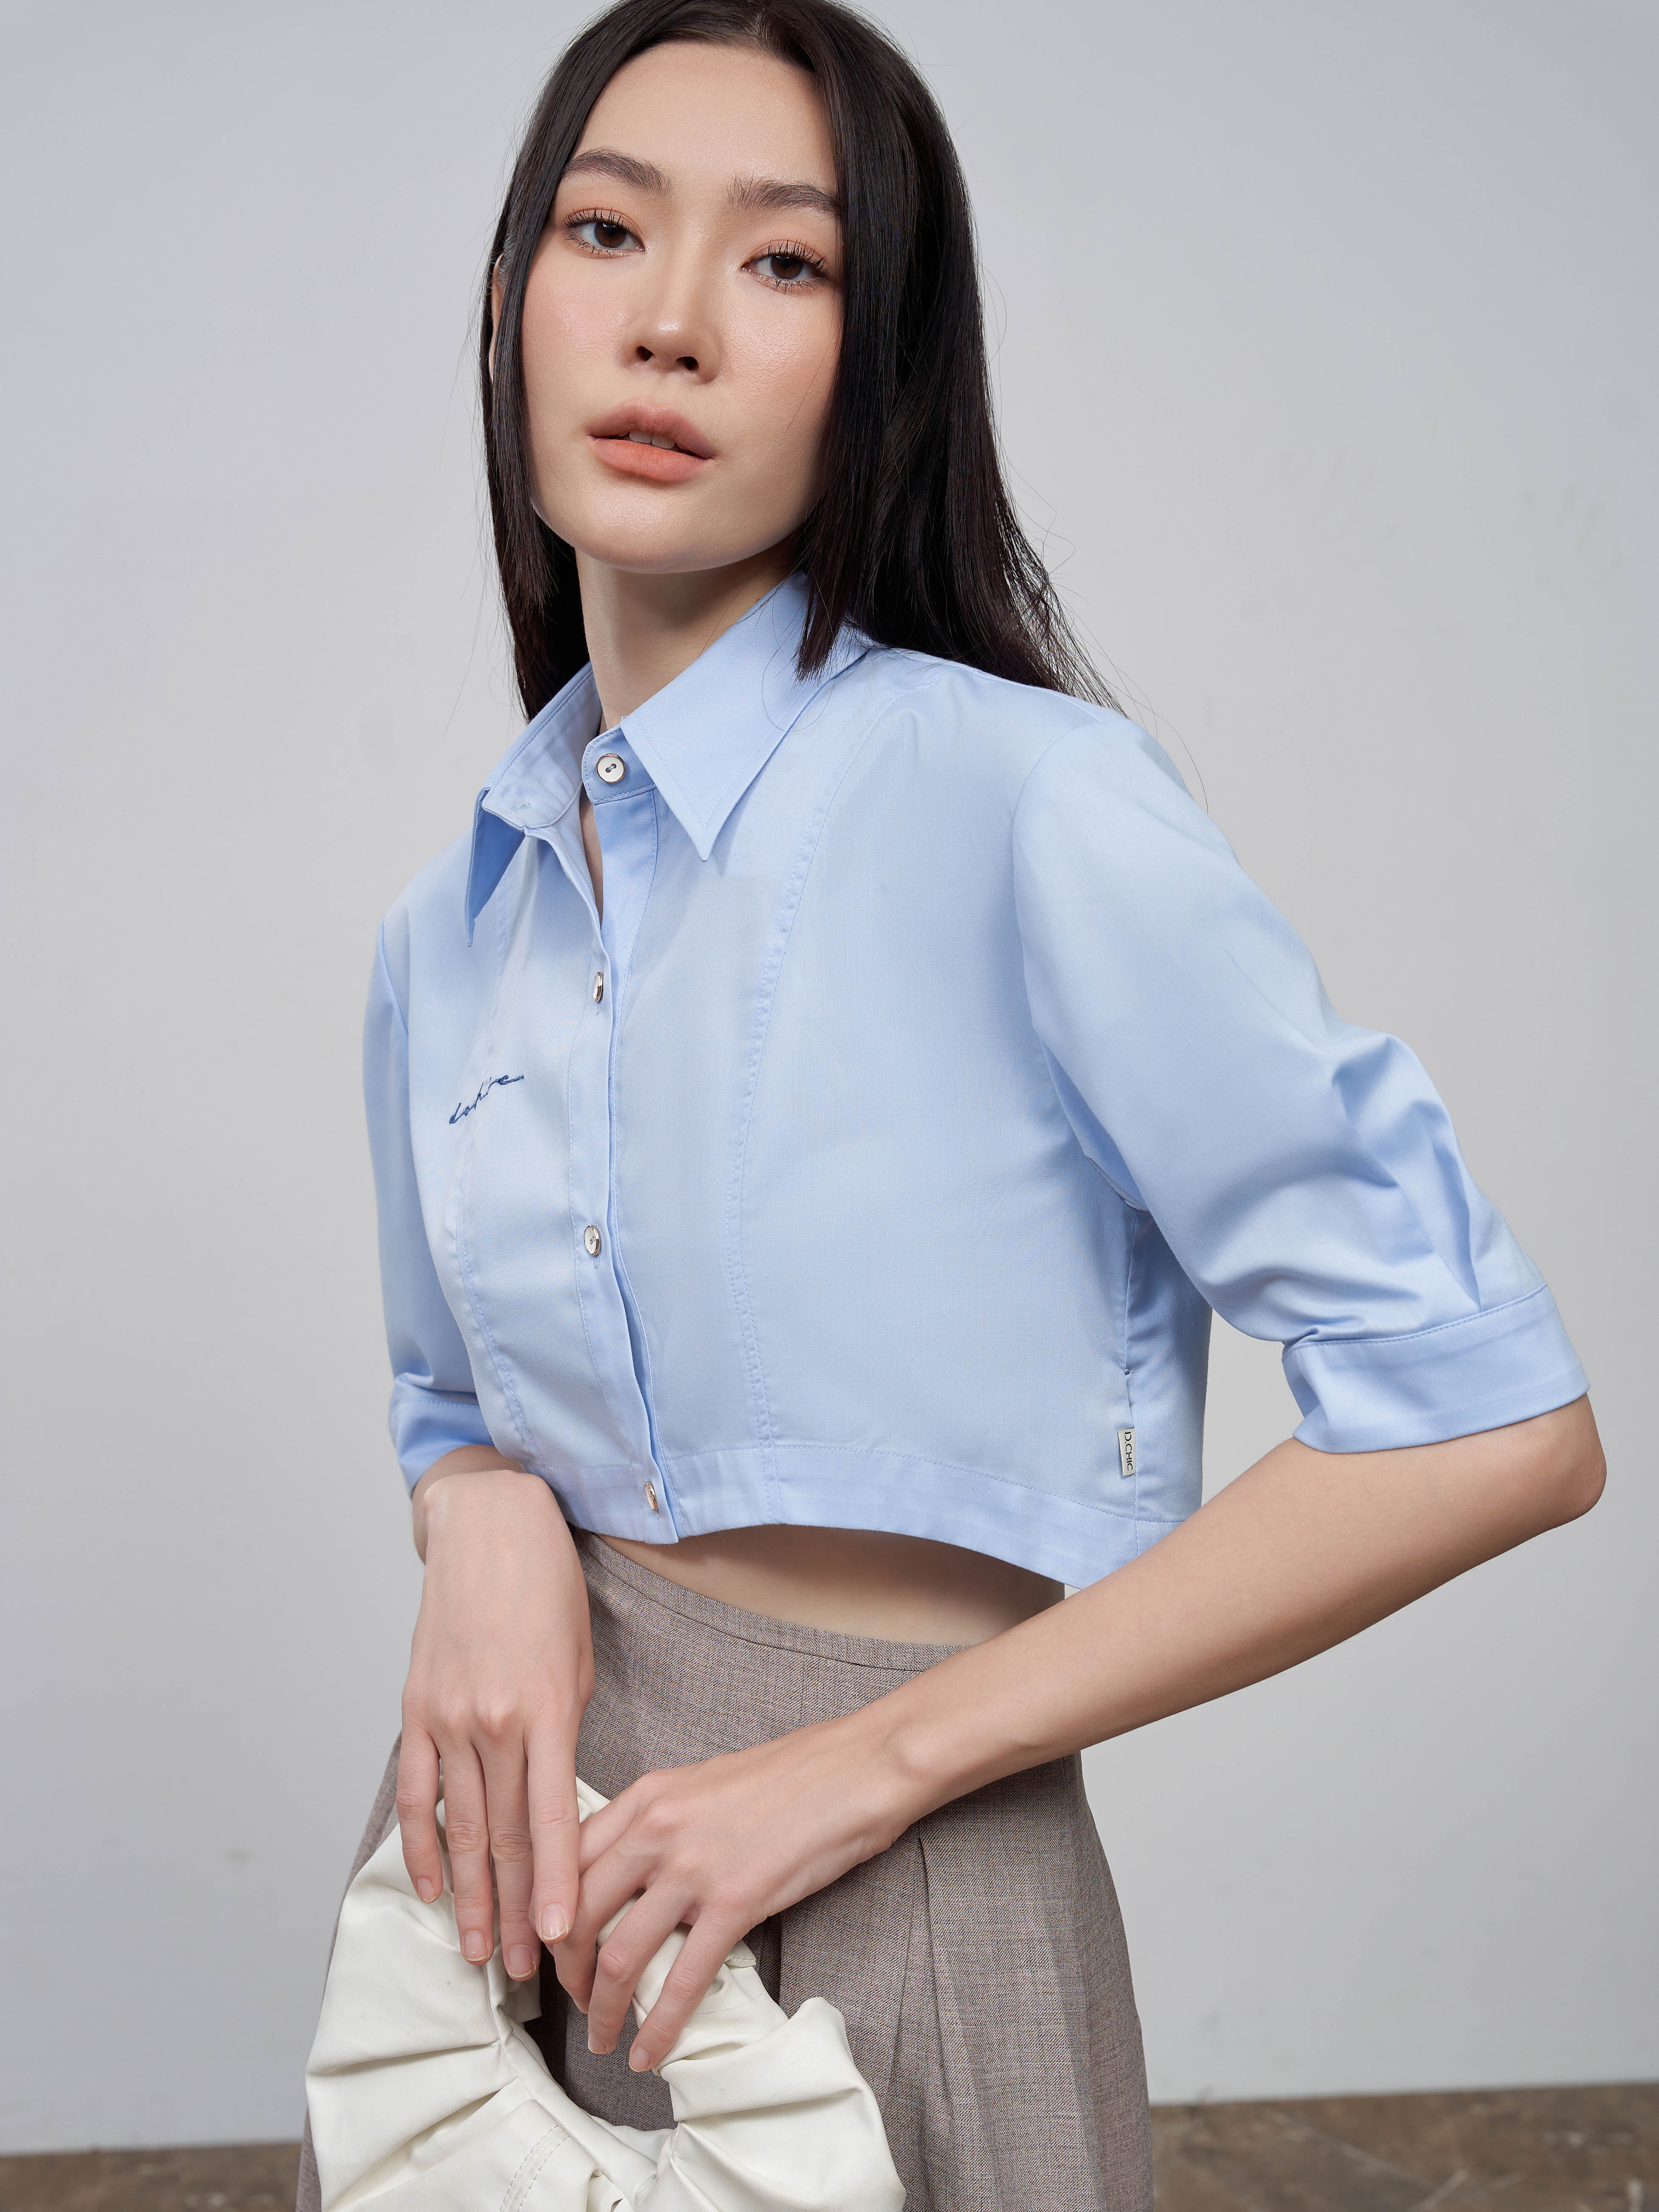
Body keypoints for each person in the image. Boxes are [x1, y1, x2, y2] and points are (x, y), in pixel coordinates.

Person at [297, 2, 1604, 2206]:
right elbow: (457, 1402)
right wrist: (485, 1516)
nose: (675, 320)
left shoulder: (1026, 804)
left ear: (883, 356)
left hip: (891, 1895)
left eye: (785, 260)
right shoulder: (454, 924)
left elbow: (1493, 1425)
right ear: (511, 302)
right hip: (501, 1901)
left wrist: (867, 1766)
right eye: (607, 230)